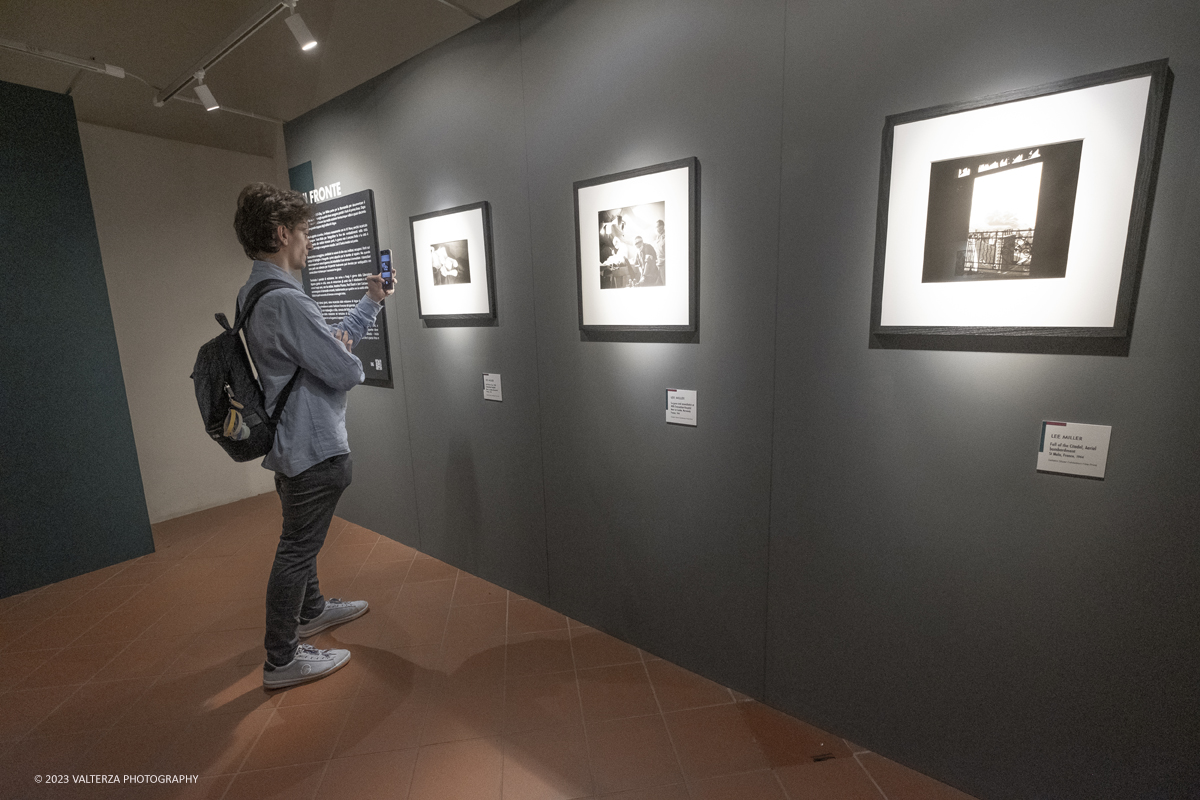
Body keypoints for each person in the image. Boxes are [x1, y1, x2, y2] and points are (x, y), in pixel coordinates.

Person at [232, 183, 394, 689]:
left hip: (290, 441)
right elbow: (344, 369)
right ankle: (281, 659)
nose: (308, 242)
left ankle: (314, 609)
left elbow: (323, 352)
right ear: (282, 233)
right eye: (304, 232)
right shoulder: (288, 302)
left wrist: (369, 303)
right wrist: (343, 359)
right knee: (297, 548)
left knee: (301, 536)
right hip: (313, 444)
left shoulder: (255, 292)